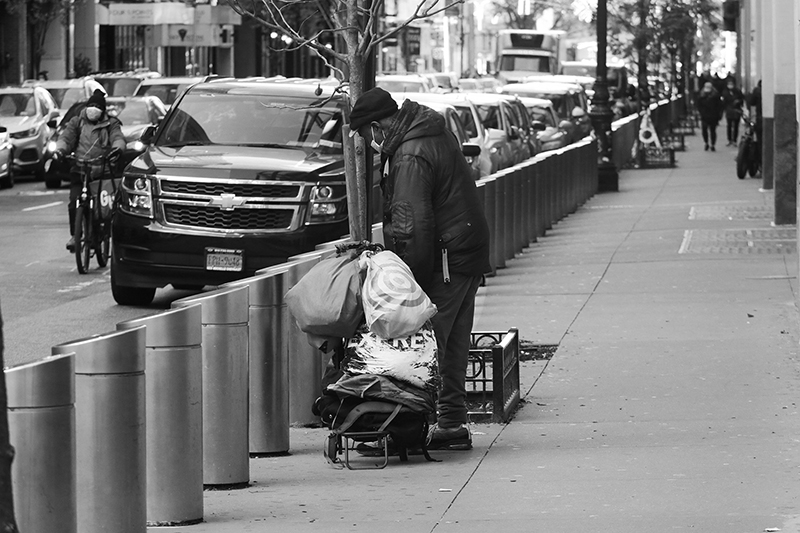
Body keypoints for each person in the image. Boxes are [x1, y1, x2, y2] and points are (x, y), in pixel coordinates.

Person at [348, 87, 491, 451]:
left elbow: (412, 225)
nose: (368, 143)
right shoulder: (428, 133)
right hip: (462, 254)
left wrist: (408, 285)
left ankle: (403, 430)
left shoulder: (410, 154)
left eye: (367, 135)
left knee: (419, 346)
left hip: (443, 260)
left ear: (377, 127)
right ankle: (451, 425)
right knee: (452, 344)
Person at [53, 89, 124, 252]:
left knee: (100, 209)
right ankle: (75, 235)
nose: (93, 109)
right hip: (80, 168)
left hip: (102, 171)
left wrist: (117, 149)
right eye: (91, 105)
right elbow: (66, 138)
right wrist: (60, 150)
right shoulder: (76, 122)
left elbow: (118, 138)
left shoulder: (111, 123)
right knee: (73, 204)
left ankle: (99, 235)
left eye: (97, 106)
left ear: (103, 110)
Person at [695, 81, 724, 151]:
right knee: (705, 130)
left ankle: (712, 144)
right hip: (705, 115)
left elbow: (719, 106)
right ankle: (707, 143)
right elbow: (699, 105)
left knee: (712, 130)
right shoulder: (701, 96)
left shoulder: (715, 96)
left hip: (713, 115)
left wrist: (719, 114)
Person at [722, 78, 744, 146]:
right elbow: (723, 102)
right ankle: (729, 139)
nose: (730, 85)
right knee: (729, 125)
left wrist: (738, 102)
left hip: (736, 110)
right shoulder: (725, 92)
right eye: (729, 84)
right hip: (729, 111)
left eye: (731, 84)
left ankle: (734, 140)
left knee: (736, 126)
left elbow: (742, 99)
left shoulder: (737, 91)